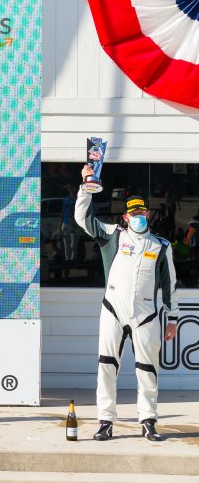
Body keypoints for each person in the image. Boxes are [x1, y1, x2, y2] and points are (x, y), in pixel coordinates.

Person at [74, 164, 178, 441]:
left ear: (147, 213)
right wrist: (86, 186)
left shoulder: (161, 245)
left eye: (142, 211)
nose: (138, 216)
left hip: (146, 315)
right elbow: (83, 218)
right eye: (133, 212)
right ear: (126, 216)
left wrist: (174, 318)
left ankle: (148, 422)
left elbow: (170, 286)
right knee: (107, 366)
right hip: (113, 310)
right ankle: (105, 421)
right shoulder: (113, 234)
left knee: (148, 370)